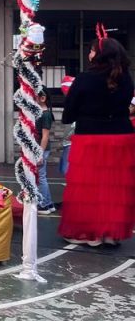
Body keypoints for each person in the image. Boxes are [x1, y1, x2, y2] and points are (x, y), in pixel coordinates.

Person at [58, 37, 135, 247]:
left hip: (91, 138)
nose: (89, 54)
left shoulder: (85, 79)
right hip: (122, 138)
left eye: (92, 51)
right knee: (115, 188)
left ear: (99, 55)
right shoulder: (126, 78)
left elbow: (68, 114)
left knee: (88, 189)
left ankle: (90, 234)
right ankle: (110, 233)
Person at [35, 89, 56, 214]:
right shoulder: (41, 113)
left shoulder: (46, 115)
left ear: (42, 98)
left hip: (41, 149)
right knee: (41, 176)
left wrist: (40, 154)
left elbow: (45, 136)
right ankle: (49, 203)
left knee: (41, 177)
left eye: (35, 96)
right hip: (40, 148)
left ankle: (44, 205)